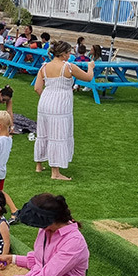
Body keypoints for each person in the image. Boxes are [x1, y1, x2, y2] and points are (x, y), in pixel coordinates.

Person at [34, 40, 94, 180]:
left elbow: (37, 88)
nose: (70, 55)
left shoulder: (44, 67)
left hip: (45, 101)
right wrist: (90, 66)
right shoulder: (69, 67)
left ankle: (39, 164)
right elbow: (88, 77)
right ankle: (55, 172)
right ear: (63, 54)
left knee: (43, 132)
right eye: (68, 53)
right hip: (60, 104)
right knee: (57, 134)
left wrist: (47, 98)